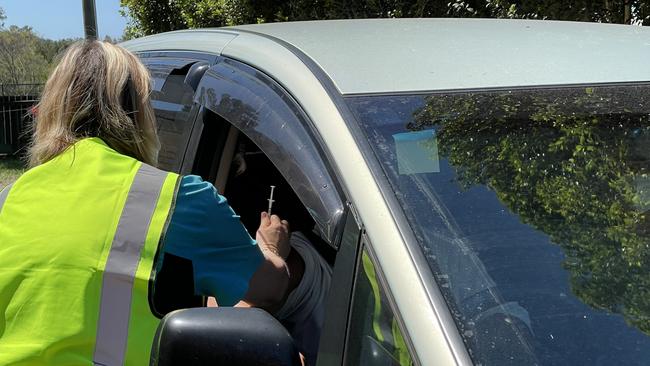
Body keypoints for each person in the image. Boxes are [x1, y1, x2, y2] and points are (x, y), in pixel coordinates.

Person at [0, 40, 294, 365]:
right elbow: (269, 287)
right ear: (139, 112)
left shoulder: (8, 200)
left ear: (53, 110)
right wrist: (270, 249)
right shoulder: (180, 198)